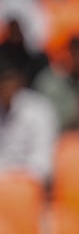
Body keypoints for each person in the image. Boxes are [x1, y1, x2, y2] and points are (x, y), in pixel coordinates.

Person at [0, 46, 57, 185]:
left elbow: (43, 162)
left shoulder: (39, 109)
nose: (6, 87)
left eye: (9, 80)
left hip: (29, 184)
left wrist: (18, 178)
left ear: (19, 82)